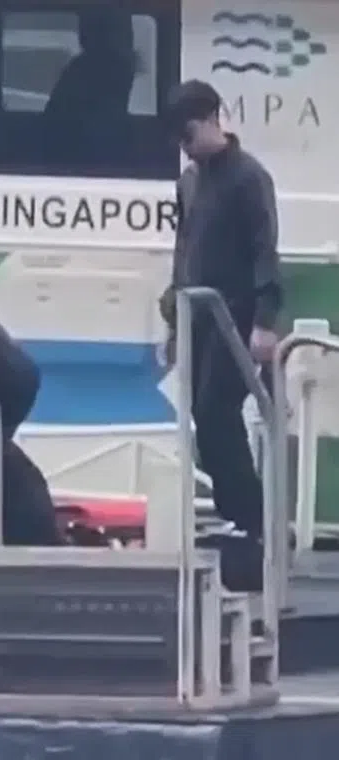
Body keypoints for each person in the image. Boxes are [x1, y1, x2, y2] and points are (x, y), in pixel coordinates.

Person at [159, 80, 281, 553]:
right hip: (198, 315)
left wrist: (265, 321)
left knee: (216, 410)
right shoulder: (189, 182)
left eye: (188, 134)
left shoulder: (249, 178)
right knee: (201, 413)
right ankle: (241, 515)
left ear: (213, 118)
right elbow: (184, 250)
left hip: (237, 313)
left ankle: (253, 517)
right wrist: (174, 320)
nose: (184, 147)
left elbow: (264, 249)